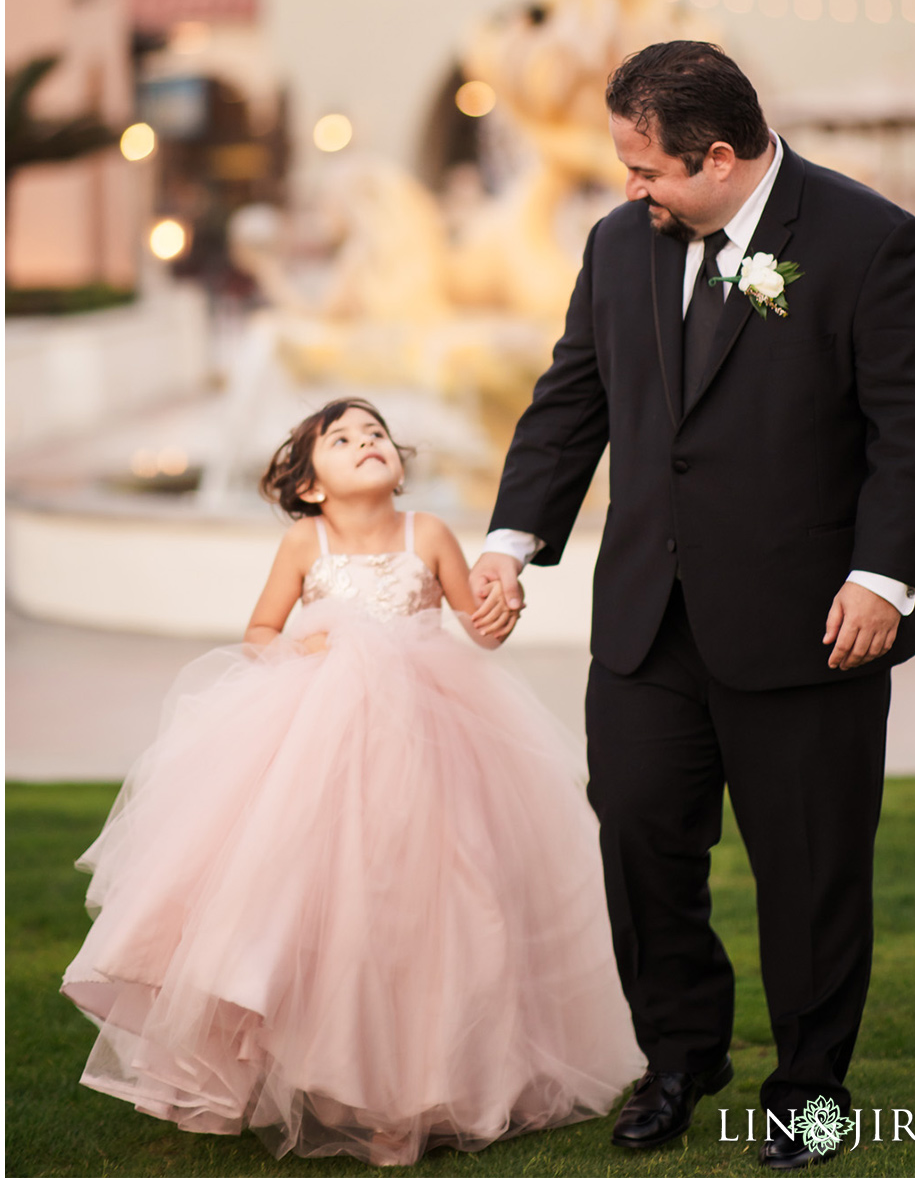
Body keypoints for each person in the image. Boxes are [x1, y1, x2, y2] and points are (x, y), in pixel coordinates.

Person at [470, 41, 915, 1169]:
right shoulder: (614, 247)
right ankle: (679, 1056)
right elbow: (568, 404)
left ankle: (808, 1089)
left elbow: (914, 428)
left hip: (811, 625)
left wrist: (881, 577)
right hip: (645, 621)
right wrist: (508, 540)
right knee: (639, 846)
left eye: (645, 171)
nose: (626, 190)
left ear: (721, 155)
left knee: (808, 867)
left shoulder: (867, 240)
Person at [61, 398, 644, 1165]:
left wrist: (498, 607)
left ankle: (422, 1088)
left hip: (433, 740)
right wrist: (312, 649)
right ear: (310, 486)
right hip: (325, 743)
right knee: (326, 905)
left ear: (397, 462)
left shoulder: (426, 533)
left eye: (375, 434)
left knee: (434, 906)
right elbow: (261, 632)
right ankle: (329, 1074)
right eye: (342, 439)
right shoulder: (307, 543)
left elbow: (478, 626)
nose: (366, 442)